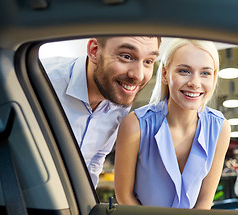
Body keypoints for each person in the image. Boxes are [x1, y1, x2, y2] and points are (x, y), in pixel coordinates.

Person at [114, 38, 230, 209]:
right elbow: (124, 197)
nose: (195, 83)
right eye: (184, 71)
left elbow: (205, 200)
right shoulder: (135, 125)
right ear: (164, 74)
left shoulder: (220, 128)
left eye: (205, 73)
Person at [41, 36, 160, 188]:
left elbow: (95, 159)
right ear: (94, 51)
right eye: (126, 56)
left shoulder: (119, 97)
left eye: (148, 61)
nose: (138, 75)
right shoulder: (42, 82)